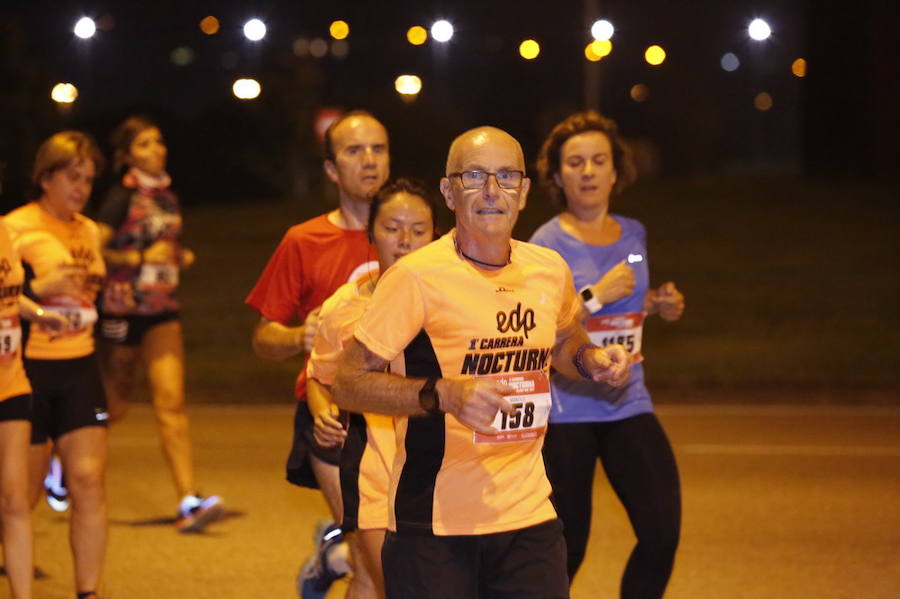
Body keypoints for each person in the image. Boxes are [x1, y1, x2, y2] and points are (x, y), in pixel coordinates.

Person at [332, 126, 631, 599]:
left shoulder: (548, 269)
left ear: (525, 191)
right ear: (450, 192)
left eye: (506, 177)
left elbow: (562, 341)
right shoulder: (416, 277)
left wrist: (592, 359)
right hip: (432, 523)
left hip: (528, 513)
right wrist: (443, 394)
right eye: (475, 176)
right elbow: (347, 382)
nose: (493, 192)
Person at [530, 110, 685, 598]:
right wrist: (596, 293)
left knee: (661, 532)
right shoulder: (544, 245)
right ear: (556, 176)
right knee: (568, 548)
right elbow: (538, 327)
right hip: (568, 410)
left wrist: (656, 304)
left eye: (599, 160)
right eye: (575, 162)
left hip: (627, 400)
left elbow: (626, 311)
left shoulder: (633, 233)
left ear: (616, 171)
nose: (589, 171)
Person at [245, 110, 389, 598]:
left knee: (399, 551)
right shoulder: (304, 241)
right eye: (354, 151)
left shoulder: (418, 238)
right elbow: (263, 338)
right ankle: (343, 550)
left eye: (378, 149)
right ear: (331, 170)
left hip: (400, 411)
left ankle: (334, 552)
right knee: (374, 568)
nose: (368, 161)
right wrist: (297, 338)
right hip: (331, 416)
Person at [307, 178, 437, 599]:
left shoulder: (454, 302)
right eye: (392, 228)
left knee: (371, 579)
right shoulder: (345, 307)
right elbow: (319, 374)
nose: (405, 241)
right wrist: (322, 410)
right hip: (373, 467)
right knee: (392, 584)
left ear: (435, 235)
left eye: (418, 230)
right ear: (371, 233)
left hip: (443, 470)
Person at [93, 116, 222, 533]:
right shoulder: (119, 198)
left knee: (171, 403)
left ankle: (188, 500)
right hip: (122, 310)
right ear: (127, 155)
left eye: (159, 142)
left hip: (162, 311)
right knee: (114, 406)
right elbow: (93, 251)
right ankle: (61, 466)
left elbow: (163, 243)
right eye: (145, 144)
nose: (157, 149)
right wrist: (136, 260)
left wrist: (177, 257)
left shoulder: (167, 196)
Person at [5, 130, 109, 599]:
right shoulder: (14, 227)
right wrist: (41, 290)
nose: (81, 187)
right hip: (29, 368)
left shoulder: (88, 229)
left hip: (80, 364)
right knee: (21, 495)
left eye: (87, 179)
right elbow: (9, 299)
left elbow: (93, 288)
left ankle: (88, 591)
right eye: (72, 177)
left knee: (88, 478)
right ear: (45, 177)